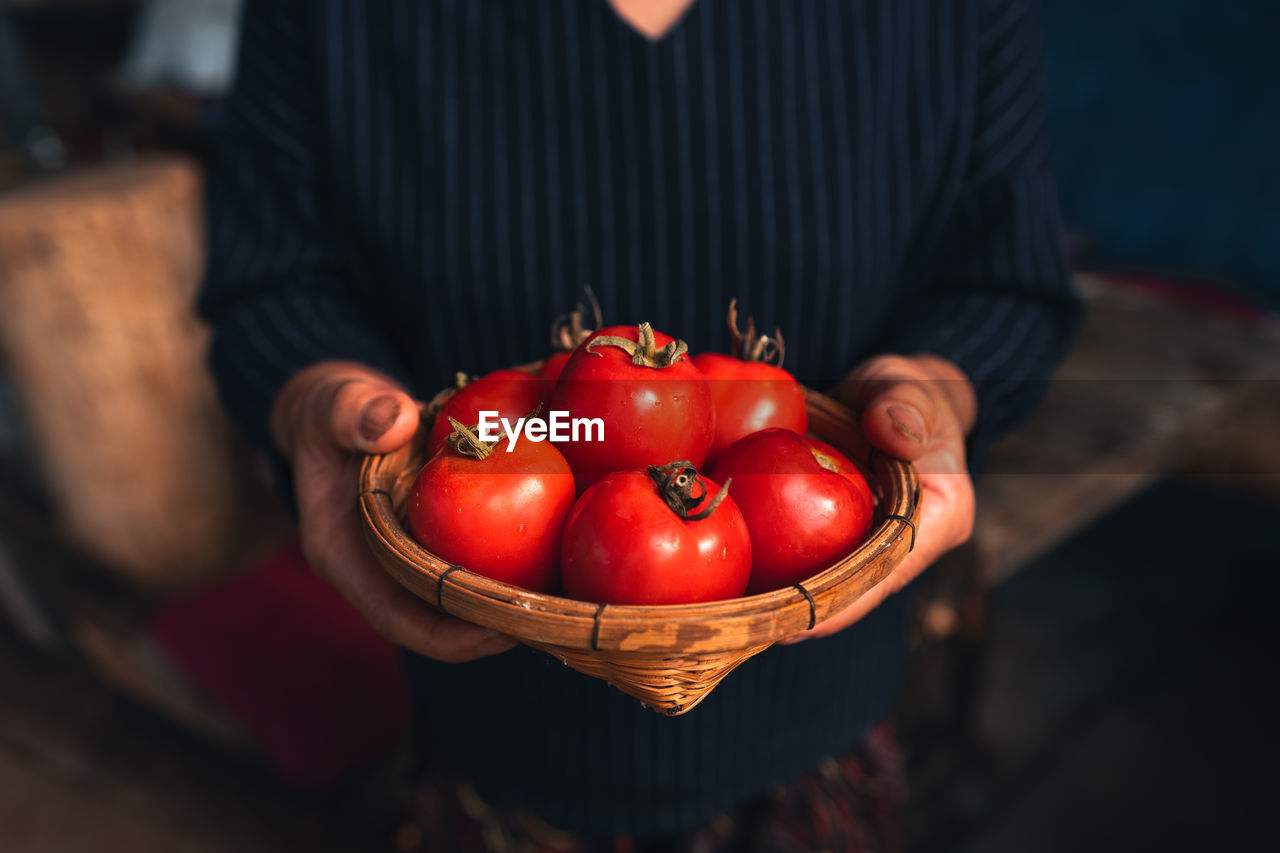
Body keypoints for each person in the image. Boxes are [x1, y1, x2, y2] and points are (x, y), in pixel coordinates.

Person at [198, 0, 1081, 848]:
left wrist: (933, 393)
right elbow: (274, 283)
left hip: (821, 706)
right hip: (491, 720)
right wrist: (315, 397)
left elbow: (1006, 284)